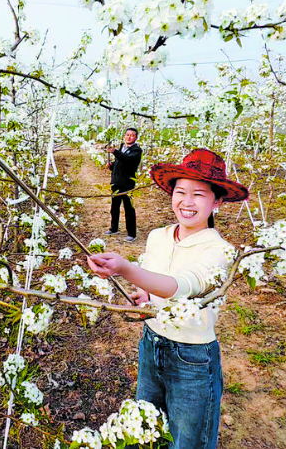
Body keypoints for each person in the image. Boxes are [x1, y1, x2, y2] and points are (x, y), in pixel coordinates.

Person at [87, 148, 249, 449]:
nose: (187, 202)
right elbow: (154, 276)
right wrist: (144, 292)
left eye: (199, 194)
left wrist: (124, 268)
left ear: (218, 201)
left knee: (187, 441)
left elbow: (182, 285)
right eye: (181, 192)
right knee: (146, 428)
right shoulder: (158, 237)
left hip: (193, 359)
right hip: (151, 344)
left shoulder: (220, 250)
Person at [105, 127, 142, 242]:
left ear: (135, 138)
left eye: (132, 135)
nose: (129, 137)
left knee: (128, 208)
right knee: (114, 207)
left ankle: (131, 233)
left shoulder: (137, 150)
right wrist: (112, 166)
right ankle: (113, 228)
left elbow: (127, 160)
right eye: (127, 135)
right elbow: (120, 161)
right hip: (116, 182)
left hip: (127, 184)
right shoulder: (122, 147)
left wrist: (114, 152)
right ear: (124, 136)